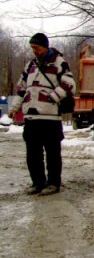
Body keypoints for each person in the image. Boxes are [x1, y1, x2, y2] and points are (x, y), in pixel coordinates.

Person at [8, 32, 76, 195]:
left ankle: (53, 183)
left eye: (36, 47)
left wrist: (54, 96)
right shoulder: (30, 65)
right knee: (33, 154)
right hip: (31, 117)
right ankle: (37, 183)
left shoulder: (59, 62)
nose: (34, 51)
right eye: (32, 48)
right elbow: (21, 89)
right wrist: (14, 108)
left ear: (45, 46)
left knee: (52, 153)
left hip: (50, 117)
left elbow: (70, 84)